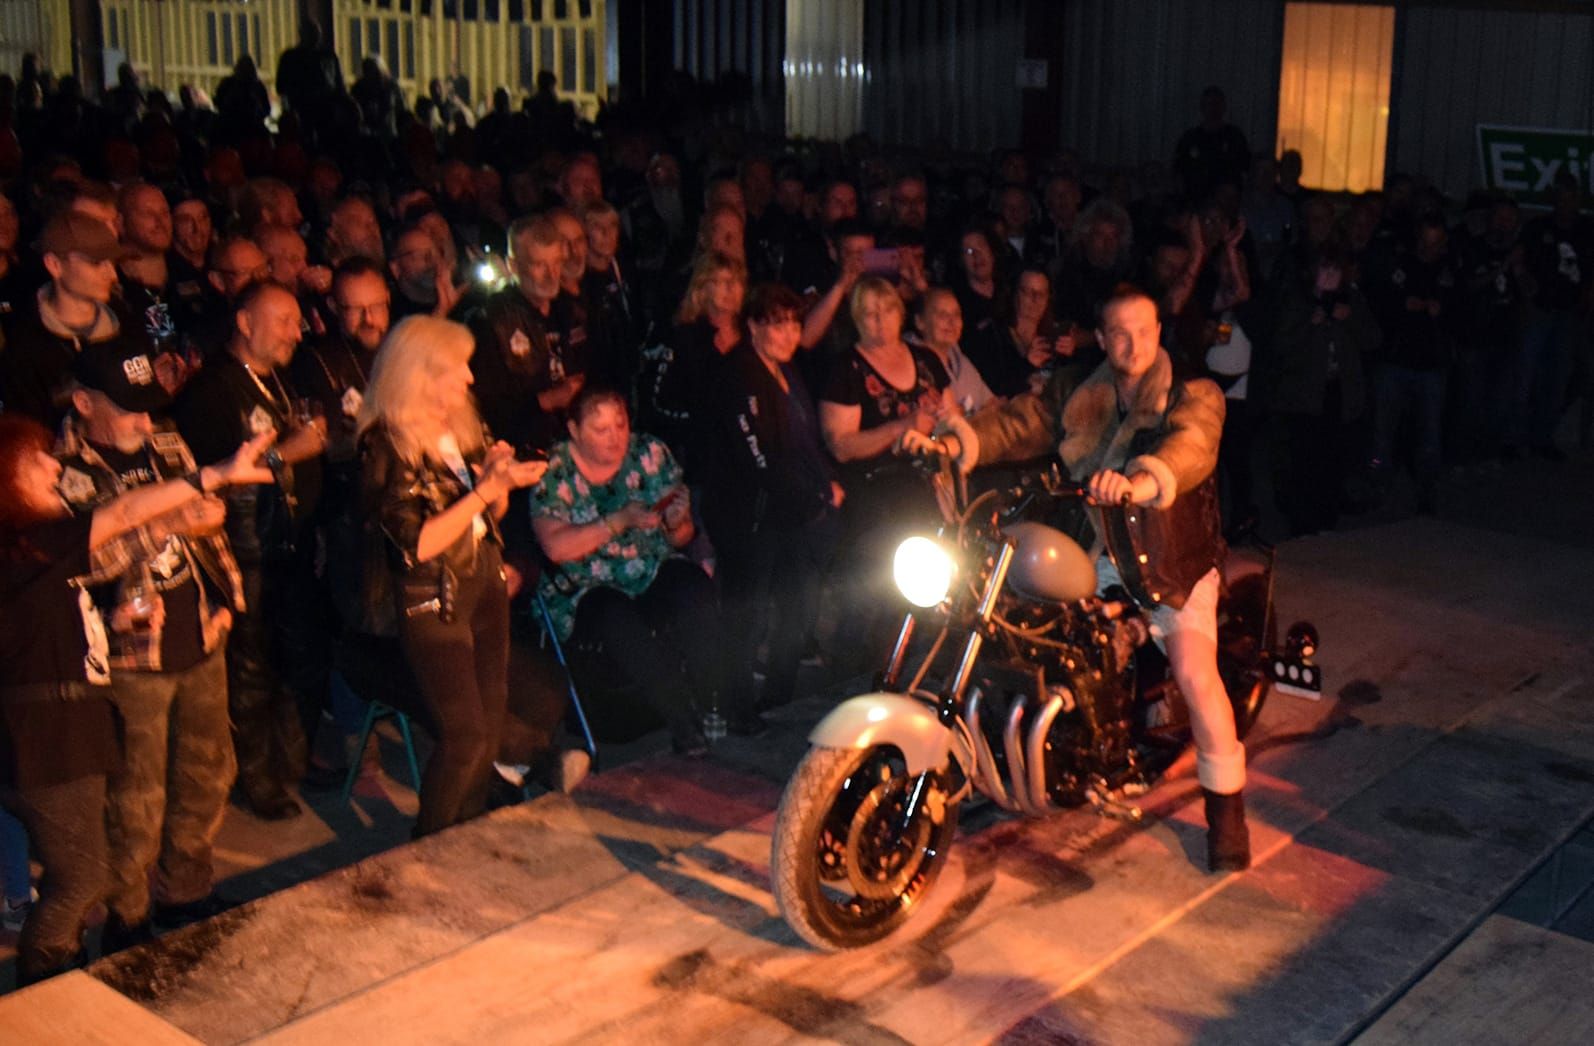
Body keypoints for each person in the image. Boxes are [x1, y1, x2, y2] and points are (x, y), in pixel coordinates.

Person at [915, 286, 1248, 872]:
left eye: (1143, 331)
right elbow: (1021, 422)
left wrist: (1143, 479)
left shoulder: (1192, 391)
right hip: (1097, 550)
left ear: (1158, 331)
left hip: (1171, 558)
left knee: (1196, 673)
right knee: (1022, 622)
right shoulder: (1078, 389)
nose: (1133, 344)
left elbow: (1193, 443)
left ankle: (1226, 808)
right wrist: (957, 440)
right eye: (1119, 333)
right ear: (1101, 337)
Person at [0, 413, 271, 984]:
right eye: (35, 461)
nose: (54, 467)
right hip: (46, 740)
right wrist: (212, 476)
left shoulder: (35, 553)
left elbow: (96, 574)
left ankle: (60, 971)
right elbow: (123, 516)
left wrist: (110, 620)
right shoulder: (26, 548)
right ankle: (46, 981)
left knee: (81, 872)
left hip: (63, 728)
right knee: (80, 878)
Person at [54, 339, 249, 949]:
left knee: (209, 771)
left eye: (147, 405)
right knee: (136, 796)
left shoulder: (164, 440)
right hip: (132, 656)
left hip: (199, 634)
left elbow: (205, 520)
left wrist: (224, 597)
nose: (144, 421)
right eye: (128, 408)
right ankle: (129, 916)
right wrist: (165, 522)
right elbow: (84, 562)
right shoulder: (64, 468)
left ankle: (186, 889)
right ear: (84, 402)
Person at [357, 315, 547, 836]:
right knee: (465, 737)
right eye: (457, 367)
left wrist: (499, 481)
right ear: (419, 373)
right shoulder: (385, 444)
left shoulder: (462, 424)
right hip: (431, 597)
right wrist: (483, 492)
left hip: (483, 579)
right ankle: (430, 840)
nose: (469, 377)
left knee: (490, 727)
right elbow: (416, 544)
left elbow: (489, 515)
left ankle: (467, 830)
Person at [531, 386, 759, 755]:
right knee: (616, 617)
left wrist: (677, 520)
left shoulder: (648, 453)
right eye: (600, 430)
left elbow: (681, 537)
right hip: (585, 581)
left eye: (620, 425)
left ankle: (720, 701)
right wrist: (617, 521)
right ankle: (681, 718)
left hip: (648, 564)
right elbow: (555, 547)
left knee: (693, 589)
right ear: (574, 430)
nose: (614, 438)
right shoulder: (555, 470)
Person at [175, 282, 328, 820]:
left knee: (296, 657)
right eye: (282, 321)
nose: (295, 333)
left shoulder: (280, 379)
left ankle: (291, 761)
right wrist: (287, 454)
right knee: (251, 665)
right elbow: (213, 478)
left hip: (289, 542)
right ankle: (255, 776)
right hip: (246, 551)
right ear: (243, 322)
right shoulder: (211, 392)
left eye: (296, 321)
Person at [703, 284, 842, 710]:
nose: (789, 334)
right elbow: (759, 457)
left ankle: (779, 697)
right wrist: (813, 499)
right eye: (778, 325)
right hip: (750, 515)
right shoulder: (738, 374)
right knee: (747, 612)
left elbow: (804, 440)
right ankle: (735, 706)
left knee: (799, 606)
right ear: (753, 326)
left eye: (795, 324)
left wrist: (825, 483)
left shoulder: (788, 371)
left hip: (791, 511)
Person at [912, 287, 996, 415]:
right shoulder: (914, 364)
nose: (952, 322)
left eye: (957, 315)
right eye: (943, 315)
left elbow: (991, 402)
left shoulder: (958, 357)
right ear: (920, 322)